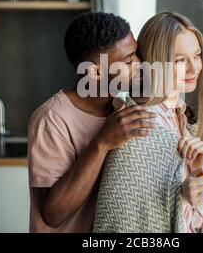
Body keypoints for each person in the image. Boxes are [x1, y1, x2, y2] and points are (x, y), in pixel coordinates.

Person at [27, 12, 158, 232]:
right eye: (128, 60)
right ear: (95, 72)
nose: (139, 63)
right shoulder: (52, 118)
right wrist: (102, 142)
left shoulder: (121, 107)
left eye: (136, 53)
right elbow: (53, 214)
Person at [137, 12, 203, 232]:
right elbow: (145, 221)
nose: (194, 68)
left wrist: (197, 173)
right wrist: (180, 196)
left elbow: (192, 224)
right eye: (180, 60)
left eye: (197, 55)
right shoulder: (146, 124)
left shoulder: (178, 114)